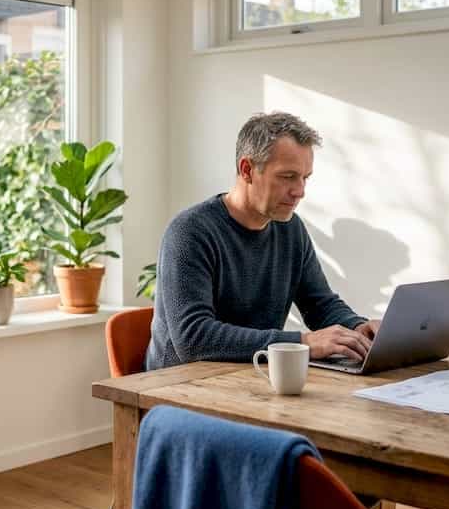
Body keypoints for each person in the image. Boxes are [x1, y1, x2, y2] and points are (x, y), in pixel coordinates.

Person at [145, 111, 381, 371]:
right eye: (288, 176)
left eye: (305, 177)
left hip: (251, 377)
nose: (300, 191)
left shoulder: (290, 229)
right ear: (247, 170)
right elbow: (193, 338)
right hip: (178, 387)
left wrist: (359, 328)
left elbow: (319, 304)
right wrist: (302, 343)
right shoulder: (190, 232)